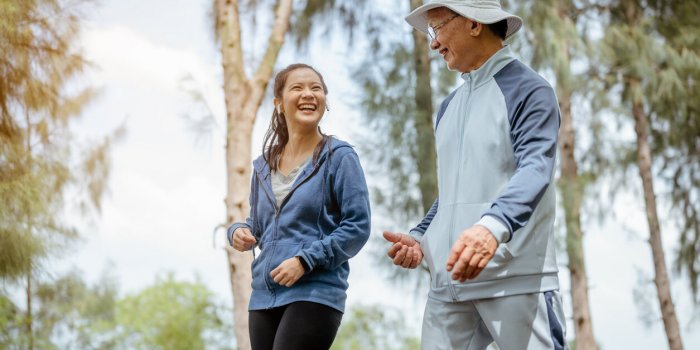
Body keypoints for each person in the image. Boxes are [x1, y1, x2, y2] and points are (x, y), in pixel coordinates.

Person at [383, 1, 567, 349]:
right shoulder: (448, 107)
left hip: (517, 281)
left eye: (437, 28)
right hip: (447, 286)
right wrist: (422, 237)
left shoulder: (530, 90)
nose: (433, 43)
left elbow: (536, 169)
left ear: (474, 24)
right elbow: (453, 191)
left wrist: (491, 228)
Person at [227, 63, 371, 350]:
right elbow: (258, 223)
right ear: (279, 104)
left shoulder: (339, 157)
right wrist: (238, 230)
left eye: (316, 88)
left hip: (315, 292)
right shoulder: (264, 166)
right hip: (264, 294)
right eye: (298, 88)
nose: (309, 94)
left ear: (325, 101)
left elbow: (357, 226)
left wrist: (305, 260)